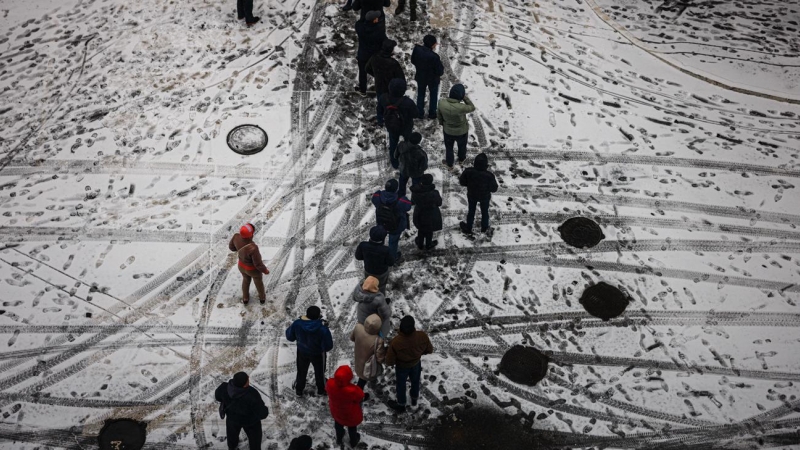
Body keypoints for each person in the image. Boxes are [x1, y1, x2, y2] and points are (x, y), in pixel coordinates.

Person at [385, 316, 433, 412]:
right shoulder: (422, 336)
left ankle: (401, 404)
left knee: (401, 384)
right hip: (416, 363)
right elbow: (429, 350)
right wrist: (418, 354)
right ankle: (414, 399)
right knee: (415, 381)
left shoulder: (396, 342)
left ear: (401, 327)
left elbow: (389, 361)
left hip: (402, 366)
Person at [285, 306, 334, 397]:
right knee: (320, 372)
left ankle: (299, 390)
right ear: (318, 316)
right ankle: (321, 390)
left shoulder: (297, 324)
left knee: (301, 371)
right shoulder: (323, 329)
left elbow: (290, 337)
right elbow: (328, 346)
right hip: (318, 354)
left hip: (302, 351)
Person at [214, 371, 269, 450]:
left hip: (232, 419)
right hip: (250, 422)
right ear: (244, 384)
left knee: (232, 436)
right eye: (247, 379)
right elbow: (262, 414)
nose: (248, 379)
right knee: (255, 441)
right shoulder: (252, 394)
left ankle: (232, 447)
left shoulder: (224, 388)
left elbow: (217, 397)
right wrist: (265, 410)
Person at [377, 78, 417, 168]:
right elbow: (415, 114)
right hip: (406, 126)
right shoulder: (408, 102)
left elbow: (379, 111)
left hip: (391, 125)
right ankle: (407, 159)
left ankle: (394, 162)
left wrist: (380, 121)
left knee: (393, 144)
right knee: (408, 143)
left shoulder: (383, 98)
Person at [366, 40, 405, 126]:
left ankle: (380, 121)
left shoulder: (374, 57)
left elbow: (367, 68)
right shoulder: (393, 63)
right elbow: (401, 79)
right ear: (390, 50)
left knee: (380, 104)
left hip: (379, 86)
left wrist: (376, 75)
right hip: (391, 88)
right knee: (393, 106)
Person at [229, 223, 270, 305]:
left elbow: (231, 248)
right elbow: (258, 264)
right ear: (250, 235)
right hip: (252, 270)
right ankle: (262, 298)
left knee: (246, 281)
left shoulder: (236, 237)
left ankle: (245, 298)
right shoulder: (253, 248)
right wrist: (265, 270)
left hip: (241, 266)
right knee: (258, 283)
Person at [371, 179, 412, 261]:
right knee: (393, 242)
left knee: (380, 238)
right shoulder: (401, 200)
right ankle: (392, 257)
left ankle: (379, 253)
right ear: (396, 189)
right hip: (396, 226)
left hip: (381, 223)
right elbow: (408, 207)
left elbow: (373, 200)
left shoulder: (378, 195)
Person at [436, 83, 476, 168]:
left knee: (449, 148)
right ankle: (461, 159)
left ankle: (449, 163)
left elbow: (439, 115)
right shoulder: (461, 107)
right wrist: (464, 97)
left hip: (448, 131)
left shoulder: (441, 103)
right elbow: (472, 107)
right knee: (462, 146)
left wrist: (442, 123)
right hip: (461, 132)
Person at [458, 153, 498, 234]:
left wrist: (469, 184)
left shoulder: (468, 171)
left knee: (471, 211)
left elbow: (462, 182)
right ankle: (484, 228)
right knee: (485, 212)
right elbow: (494, 189)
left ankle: (468, 227)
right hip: (485, 196)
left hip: (472, 195)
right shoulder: (489, 175)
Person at [327, 365, 365, 448]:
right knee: (352, 427)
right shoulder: (352, 390)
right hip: (350, 414)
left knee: (338, 424)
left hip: (336, 411)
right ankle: (353, 441)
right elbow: (360, 396)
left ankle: (339, 438)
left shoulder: (330, 383)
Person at [351, 313, 387, 396]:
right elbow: (380, 358)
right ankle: (358, 395)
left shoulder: (358, 327)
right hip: (369, 365)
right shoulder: (378, 340)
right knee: (364, 378)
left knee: (361, 375)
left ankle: (359, 392)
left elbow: (352, 338)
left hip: (358, 359)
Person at [410, 35, 444, 119]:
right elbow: (440, 71)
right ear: (432, 45)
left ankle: (419, 113)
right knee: (433, 95)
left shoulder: (417, 49)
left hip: (421, 76)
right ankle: (432, 113)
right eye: (435, 43)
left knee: (421, 94)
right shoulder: (435, 57)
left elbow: (413, 60)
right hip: (432, 80)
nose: (436, 45)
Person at [354, 11, 387, 97]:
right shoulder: (379, 30)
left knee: (362, 73)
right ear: (374, 20)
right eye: (376, 18)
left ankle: (363, 90)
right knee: (377, 73)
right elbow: (385, 41)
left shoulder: (360, 28)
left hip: (362, 55)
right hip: (374, 56)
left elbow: (358, 23)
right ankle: (383, 89)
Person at [354, 225, 395, 293]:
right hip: (381, 273)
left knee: (368, 285)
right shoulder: (386, 250)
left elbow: (358, 257)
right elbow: (391, 262)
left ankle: (369, 299)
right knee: (381, 287)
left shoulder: (363, 245)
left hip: (368, 271)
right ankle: (380, 300)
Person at [409, 174, 442, 250]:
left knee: (421, 229)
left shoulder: (415, 192)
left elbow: (413, 202)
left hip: (419, 214)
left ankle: (420, 244)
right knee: (429, 230)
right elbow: (439, 203)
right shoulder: (434, 193)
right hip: (431, 215)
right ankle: (428, 244)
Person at [394, 132, 428, 198]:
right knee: (416, 186)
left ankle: (401, 196)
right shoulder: (421, 153)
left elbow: (395, 155)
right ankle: (414, 199)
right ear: (418, 142)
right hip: (416, 173)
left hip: (403, 169)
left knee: (402, 184)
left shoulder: (401, 145)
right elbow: (424, 166)